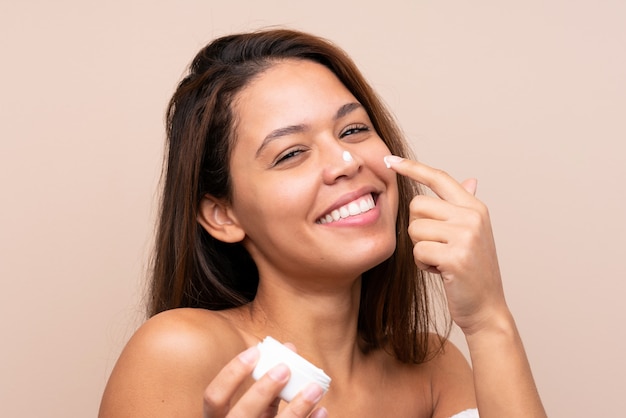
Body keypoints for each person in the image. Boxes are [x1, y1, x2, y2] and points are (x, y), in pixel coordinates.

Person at [98, 29, 547, 418]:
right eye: (291, 153)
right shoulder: (180, 351)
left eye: (353, 130)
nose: (345, 162)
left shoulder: (436, 368)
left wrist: (488, 319)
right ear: (224, 215)